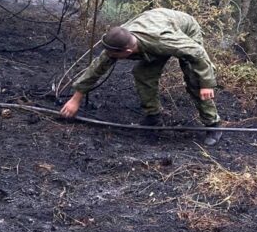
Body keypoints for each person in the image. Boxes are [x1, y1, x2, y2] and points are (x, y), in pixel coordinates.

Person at [60, 8, 223, 146]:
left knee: (195, 79)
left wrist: (206, 83)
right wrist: (76, 99)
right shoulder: (118, 40)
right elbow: (97, 67)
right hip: (157, 27)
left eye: (114, 55)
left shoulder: (163, 41)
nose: (109, 56)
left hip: (184, 29)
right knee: (143, 74)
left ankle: (213, 124)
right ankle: (153, 117)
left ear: (128, 52)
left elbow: (197, 52)